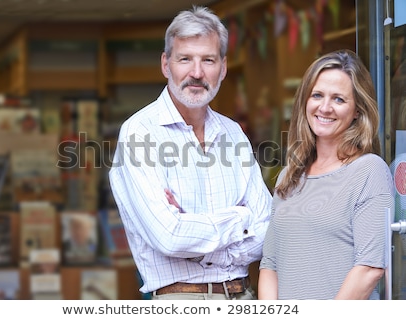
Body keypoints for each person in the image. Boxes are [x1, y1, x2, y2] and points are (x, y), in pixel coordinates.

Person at [109, 6, 272, 300]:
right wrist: (240, 217)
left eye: (208, 60)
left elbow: (268, 231)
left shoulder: (233, 133)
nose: (196, 73)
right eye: (185, 59)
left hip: (243, 296)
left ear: (222, 68)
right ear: (166, 64)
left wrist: (195, 236)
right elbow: (170, 237)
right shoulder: (139, 133)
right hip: (180, 301)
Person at [258, 49, 395, 300]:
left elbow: (369, 268)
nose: (325, 107)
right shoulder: (289, 175)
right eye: (317, 95)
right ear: (305, 102)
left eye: (339, 99)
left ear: (357, 111)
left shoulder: (369, 170)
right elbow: (270, 264)